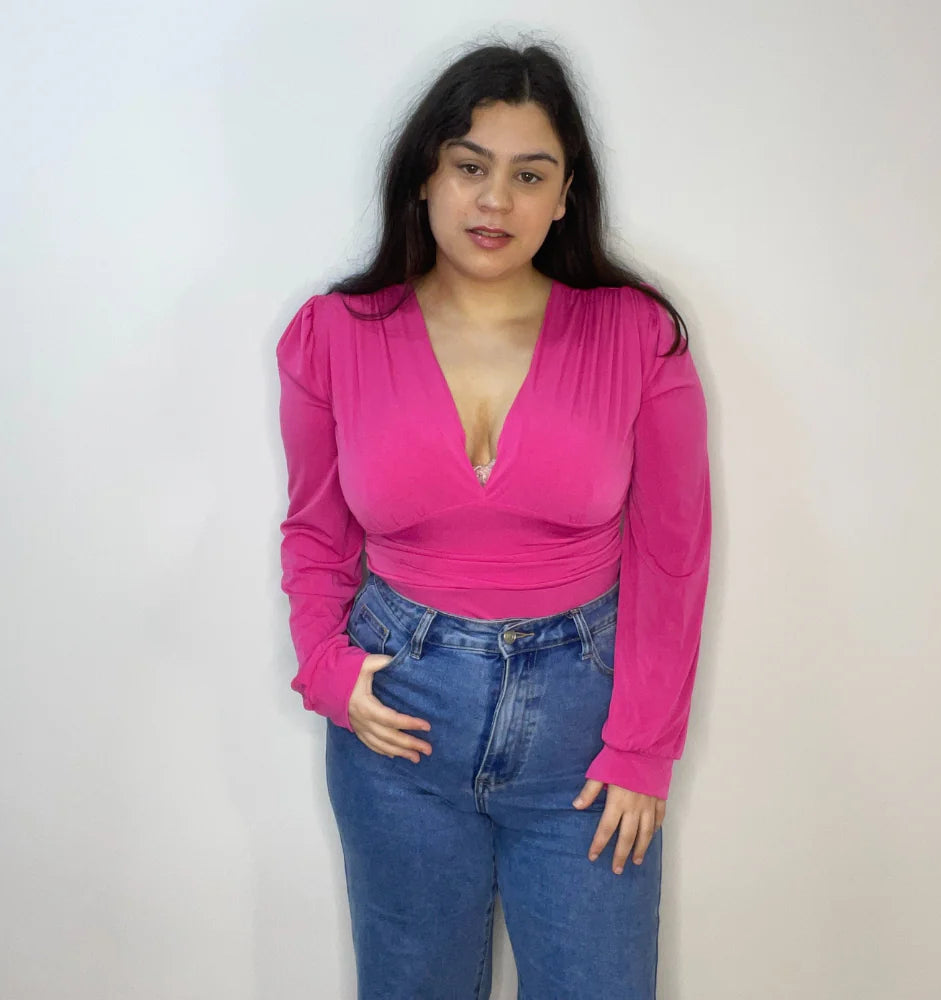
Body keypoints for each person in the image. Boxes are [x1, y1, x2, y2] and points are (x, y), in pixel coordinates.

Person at [275, 36, 712, 1000]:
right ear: (426, 175)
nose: (495, 201)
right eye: (470, 166)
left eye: (529, 175)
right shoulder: (333, 335)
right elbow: (315, 532)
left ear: (564, 196)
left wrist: (643, 746)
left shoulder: (638, 336)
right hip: (398, 727)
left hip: (585, 740)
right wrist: (326, 670)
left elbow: (672, 554)